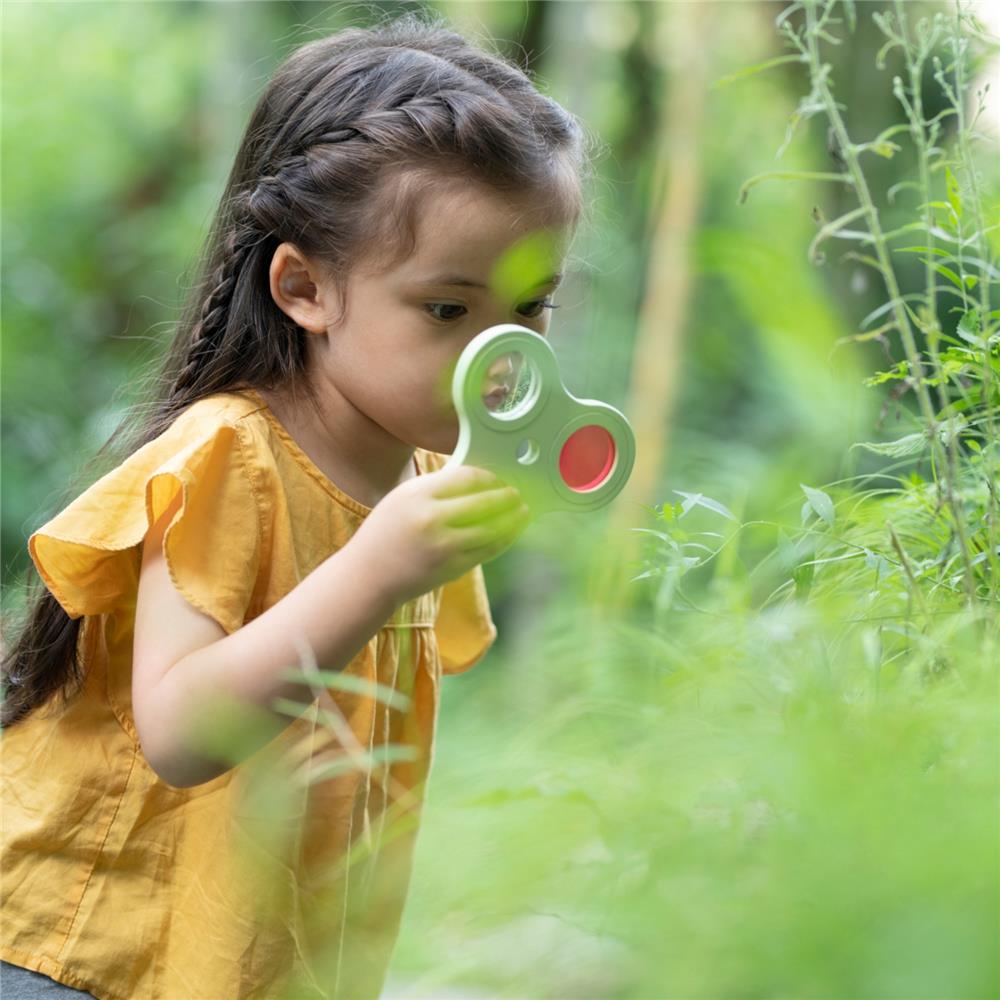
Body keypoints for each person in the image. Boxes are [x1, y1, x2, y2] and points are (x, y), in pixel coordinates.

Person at [0, 10, 590, 1000]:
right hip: (84, 956)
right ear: (305, 287)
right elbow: (183, 730)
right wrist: (380, 568)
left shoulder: (412, 485)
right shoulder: (232, 454)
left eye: (529, 309)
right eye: (447, 310)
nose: (500, 356)